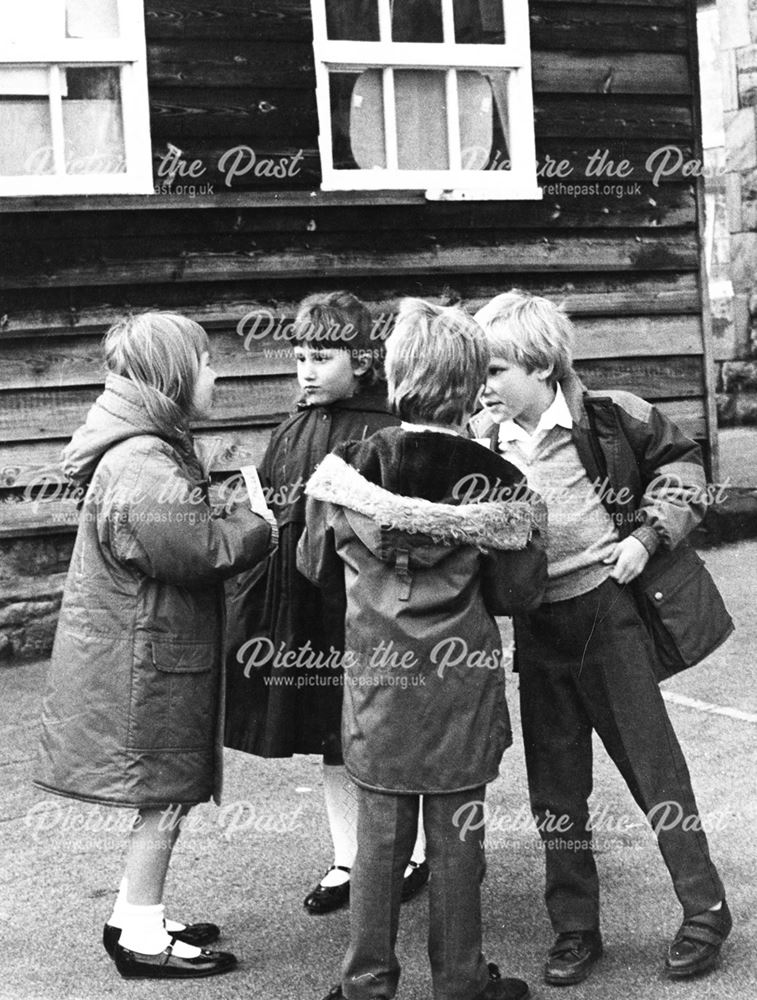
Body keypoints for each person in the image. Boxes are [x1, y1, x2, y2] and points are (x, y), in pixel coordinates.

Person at [473, 290, 732, 986]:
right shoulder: (482, 441)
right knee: (555, 793)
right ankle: (574, 929)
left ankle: (704, 911)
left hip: (606, 619)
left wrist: (647, 538)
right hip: (538, 630)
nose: (485, 386)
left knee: (656, 772)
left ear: (538, 366)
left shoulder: (610, 417)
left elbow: (682, 470)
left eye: (496, 370)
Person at [298, 298, 547, 1000]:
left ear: (396, 375)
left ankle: (365, 985)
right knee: (457, 837)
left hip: (377, 683)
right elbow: (520, 592)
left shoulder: (346, 468)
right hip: (457, 688)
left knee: (378, 838)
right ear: (470, 386)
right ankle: (461, 983)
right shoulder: (500, 483)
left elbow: (311, 566)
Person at [35, 312, 276, 980]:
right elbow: (195, 551)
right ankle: (140, 934)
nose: (216, 373)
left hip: (150, 651)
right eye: (205, 362)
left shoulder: (145, 448)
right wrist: (252, 525)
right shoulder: (143, 461)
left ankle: (132, 914)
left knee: (164, 792)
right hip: (151, 663)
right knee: (164, 794)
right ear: (174, 375)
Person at [224, 291, 428, 914]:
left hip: (361, 611)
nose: (306, 370)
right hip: (301, 609)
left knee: (380, 734)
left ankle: (410, 854)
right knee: (329, 733)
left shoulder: (386, 430)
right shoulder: (295, 424)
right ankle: (348, 858)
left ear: (364, 361)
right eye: (300, 357)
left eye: (323, 357)